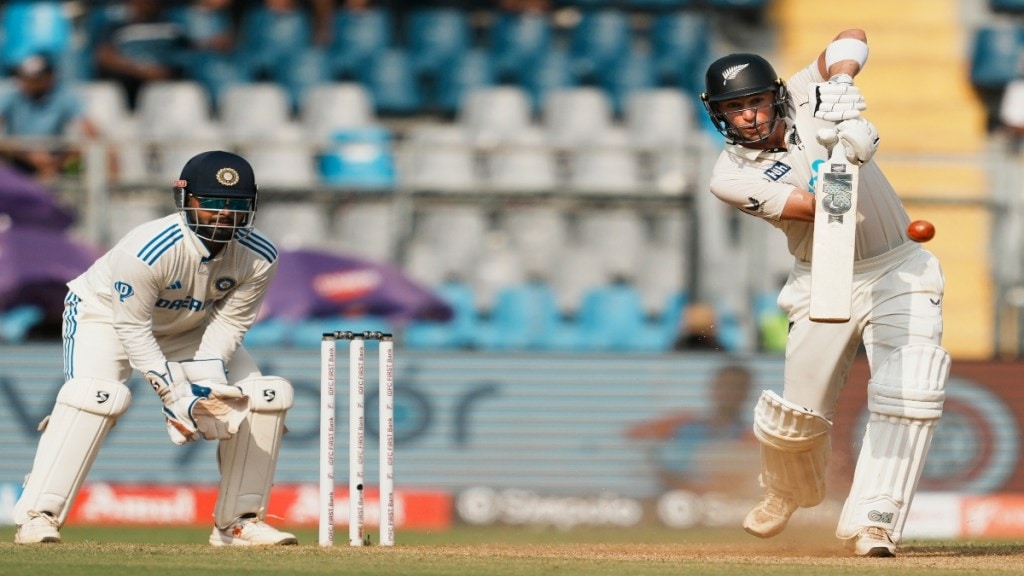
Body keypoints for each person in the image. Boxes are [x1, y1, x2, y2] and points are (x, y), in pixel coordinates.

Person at [699, 29, 950, 557]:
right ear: (718, 115)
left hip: (898, 268)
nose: (748, 115)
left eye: (756, 102)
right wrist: (854, 148)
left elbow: (851, 36)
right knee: (797, 418)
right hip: (822, 276)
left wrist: (840, 82)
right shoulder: (729, 175)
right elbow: (821, 210)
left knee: (911, 389)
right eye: (734, 108)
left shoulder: (810, 91)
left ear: (776, 96)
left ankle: (876, 522)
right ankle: (786, 490)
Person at [13, 150, 298, 547]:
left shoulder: (260, 255)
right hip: (105, 317)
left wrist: (208, 381)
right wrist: (173, 394)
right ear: (185, 200)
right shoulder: (148, 249)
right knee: (96, 398)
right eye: (212, 202)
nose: (223, 214)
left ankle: (237, 524)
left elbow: (231, 322)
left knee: (265, 397)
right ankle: (37, 516)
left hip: (191, 327)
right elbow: (131, 327)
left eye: (235, 205)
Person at [626, 363, 758, 495]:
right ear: (713, 389)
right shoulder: (682, 427)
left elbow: (741, 482)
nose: (730, 393)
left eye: (737, 387)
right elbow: (637, 441)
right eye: (725, 386)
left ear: (747, 392)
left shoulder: (752, 440)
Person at [0, 53, 101, 181]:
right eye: (24, 78)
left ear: (50, 78)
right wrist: (29, 156)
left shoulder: (64, 96)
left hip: (56, 157)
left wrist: (58, 160)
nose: (28, 83)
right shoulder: (11, 96)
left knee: (85, 150)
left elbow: (89, 129)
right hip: (18, 157)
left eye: (35, 79)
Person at [93, 0, 190, 109]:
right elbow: (104, 56)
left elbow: (185, 56)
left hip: (167, 90)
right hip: (127, 91)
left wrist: (160, 73)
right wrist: (140, 70)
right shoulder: (116, 27)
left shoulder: (174, 26)